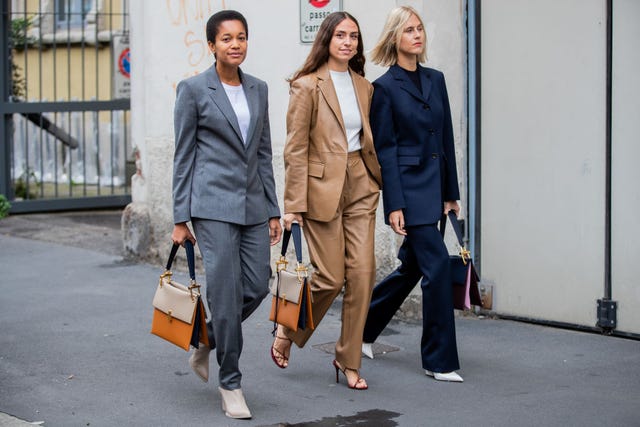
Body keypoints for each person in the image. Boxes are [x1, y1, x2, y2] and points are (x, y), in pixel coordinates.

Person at [171, 10, 282, 419]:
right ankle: (230, 382)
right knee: (224, 290)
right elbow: (184, 156)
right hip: (212, 207)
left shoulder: (259, 89)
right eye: (226, 38)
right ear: (212, 45)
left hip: (253, 205)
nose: (235, 44)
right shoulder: (195, 89)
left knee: (256, 286)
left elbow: (265, 152)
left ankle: (207, 338)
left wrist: (273, 208)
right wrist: (180, 217)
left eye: (241, 37)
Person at [270, 11, 382, 390]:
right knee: (330, 277)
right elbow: (295, 149)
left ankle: (348, 360)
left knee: (364, 275)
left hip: (361, 183)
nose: (348, 42)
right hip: (321, 189)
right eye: (340, 36)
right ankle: (287, 329)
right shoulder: (306, 85)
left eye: (353, 36)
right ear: (326, 40)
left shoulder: (364, 86)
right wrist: (292, 205)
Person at [361, 6, 464, 383]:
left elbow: (445, 138)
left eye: (419, 29)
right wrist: (395, 205)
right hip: (409, 190)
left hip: (435, 189)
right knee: (436, 267)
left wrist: (451, 193)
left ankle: (361, 329)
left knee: (414, 267)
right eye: (409, 30)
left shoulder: (436, 80)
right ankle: (438, 360)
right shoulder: (384, 87)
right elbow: (385, 149)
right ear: (395, 39)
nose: (417, 35)